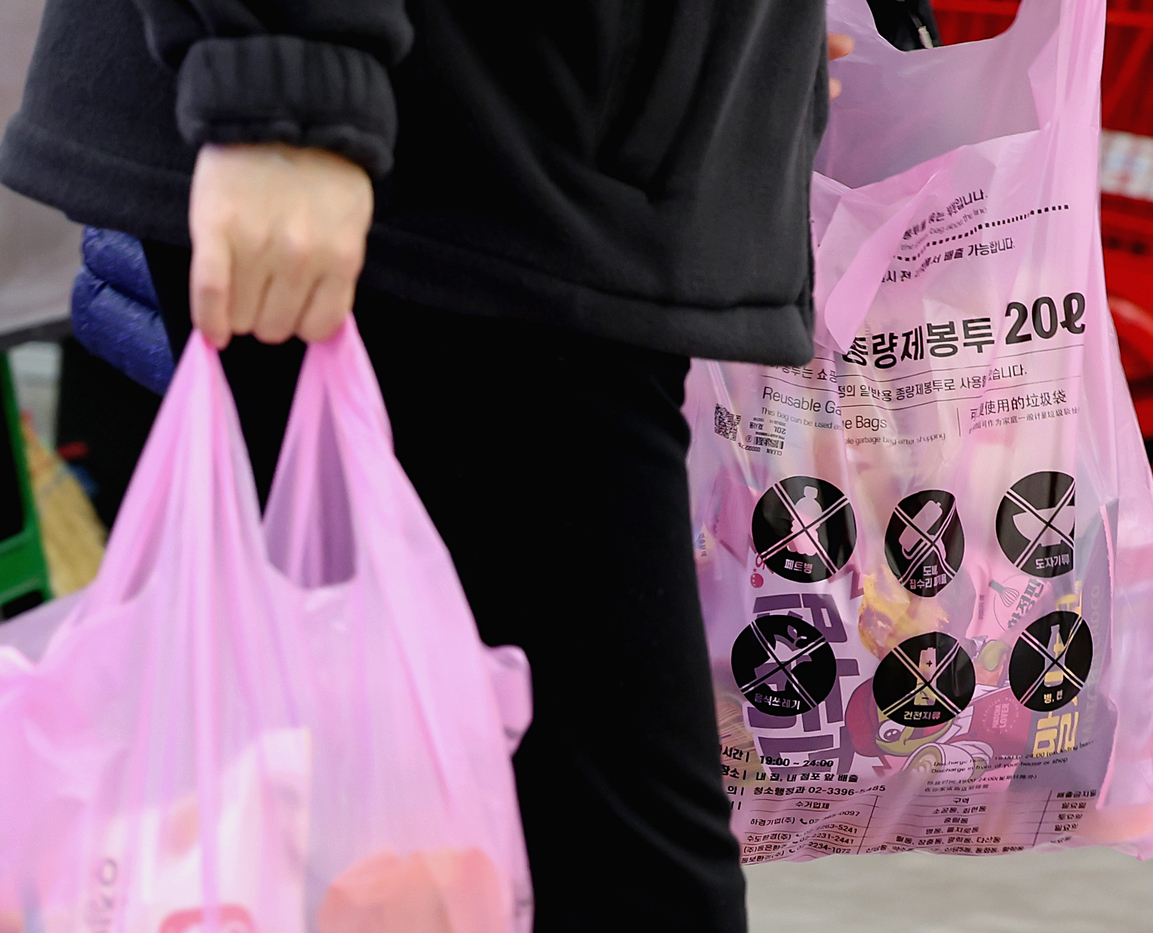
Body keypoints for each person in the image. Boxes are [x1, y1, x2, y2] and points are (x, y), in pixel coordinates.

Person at [0, 2, 852, 930]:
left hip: (557, 152)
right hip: (434, 157)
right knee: (613, 861)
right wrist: (287, 76)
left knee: (495, 838)